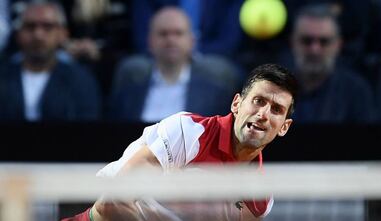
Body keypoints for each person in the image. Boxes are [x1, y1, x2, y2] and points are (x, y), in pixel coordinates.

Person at [62, 63, 299, 221]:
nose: (263, 114)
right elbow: (112, 203)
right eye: (258, 101)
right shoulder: (188, 132)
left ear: (284, 127)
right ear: (236, 104)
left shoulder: (259, 198)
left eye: (276, 109)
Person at [108, 6, 239, 123]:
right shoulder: (130, 89)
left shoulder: (214, 94)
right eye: (163, 34)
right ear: (149, 41)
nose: (171, 40)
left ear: (192, 41)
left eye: (178, 33)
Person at [0, 1, 101, 121]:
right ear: (18, 34)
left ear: (63, 34)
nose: (38, 35)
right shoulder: (3, 76)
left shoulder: (81, 81)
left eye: (47, 27)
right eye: (30, 26)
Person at [279, 4, 375, 123]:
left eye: (324, 42)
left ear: (338, 45)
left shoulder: (356, 92)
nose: (315, 50)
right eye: (306, 41)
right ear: (292, 42)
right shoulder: (272, 88)